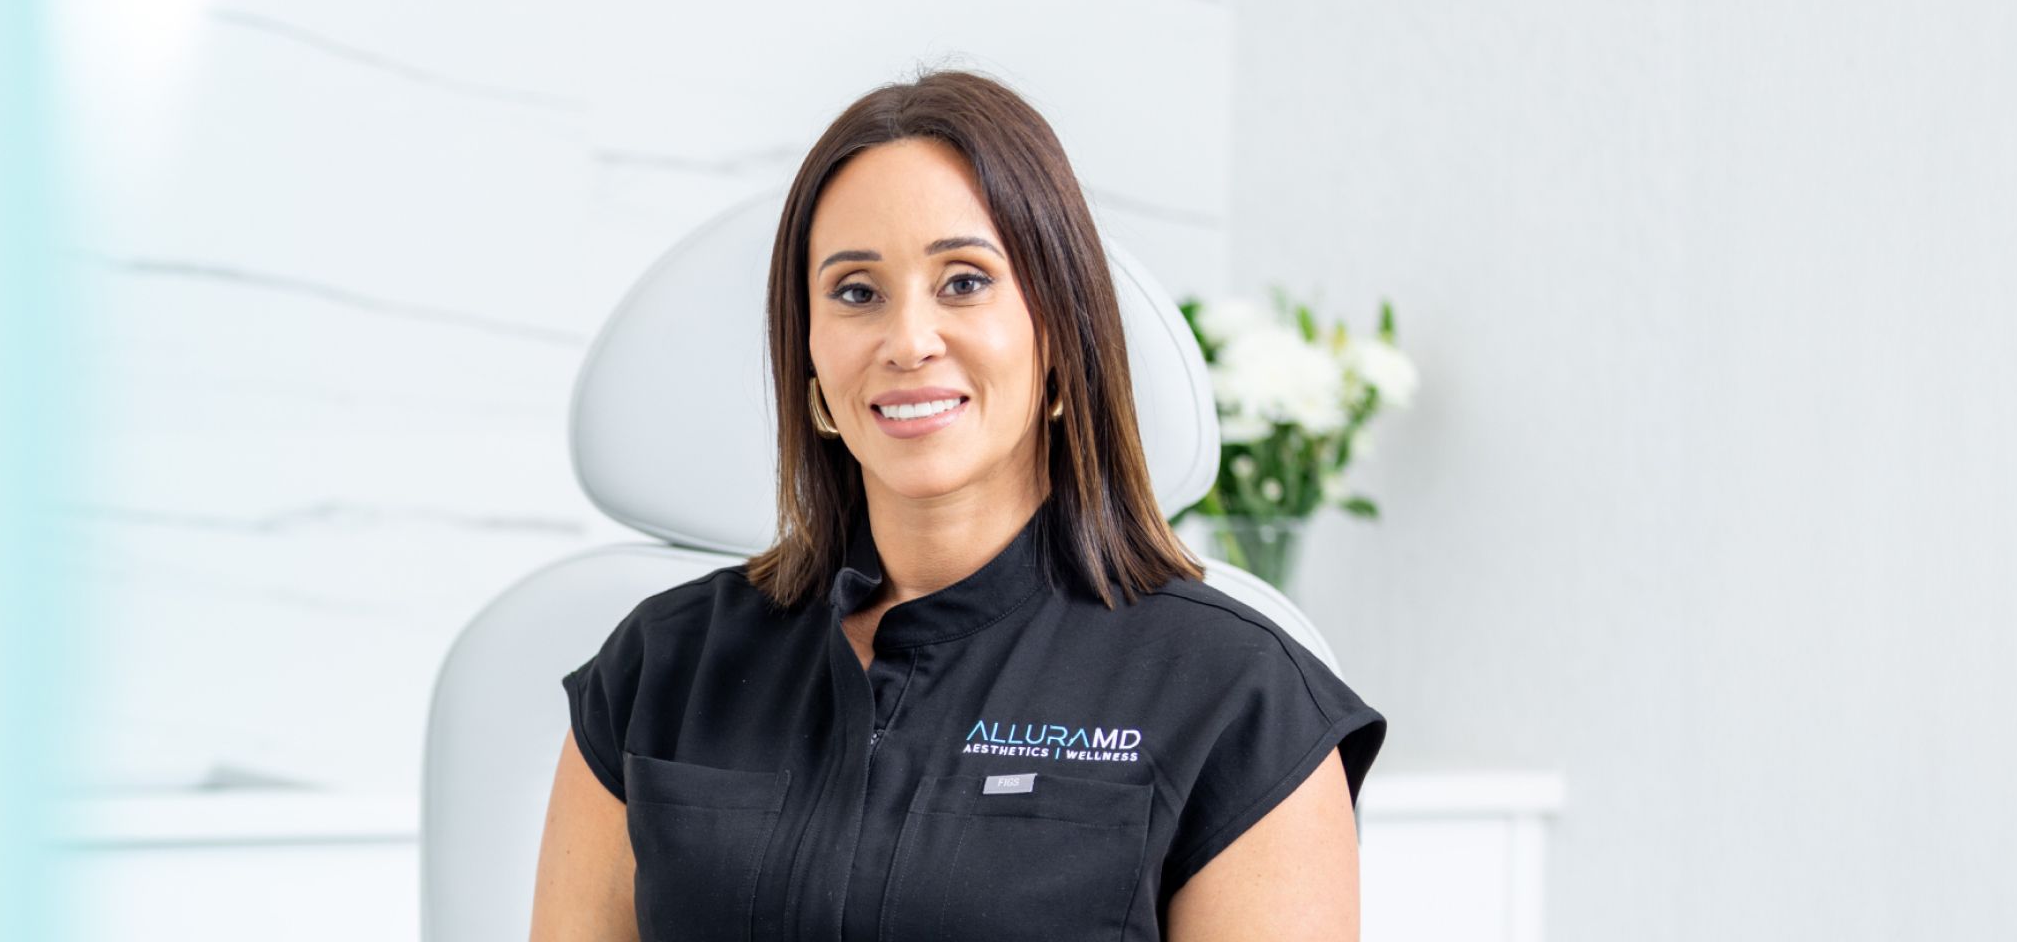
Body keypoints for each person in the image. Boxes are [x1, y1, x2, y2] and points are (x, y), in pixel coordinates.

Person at [529, 69, 1387, 942]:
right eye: (856, 293)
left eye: (965, 281)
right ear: (812, 364)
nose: (908, 342)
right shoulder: (658, 670)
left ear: (1058, 332)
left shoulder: (1239, 698)